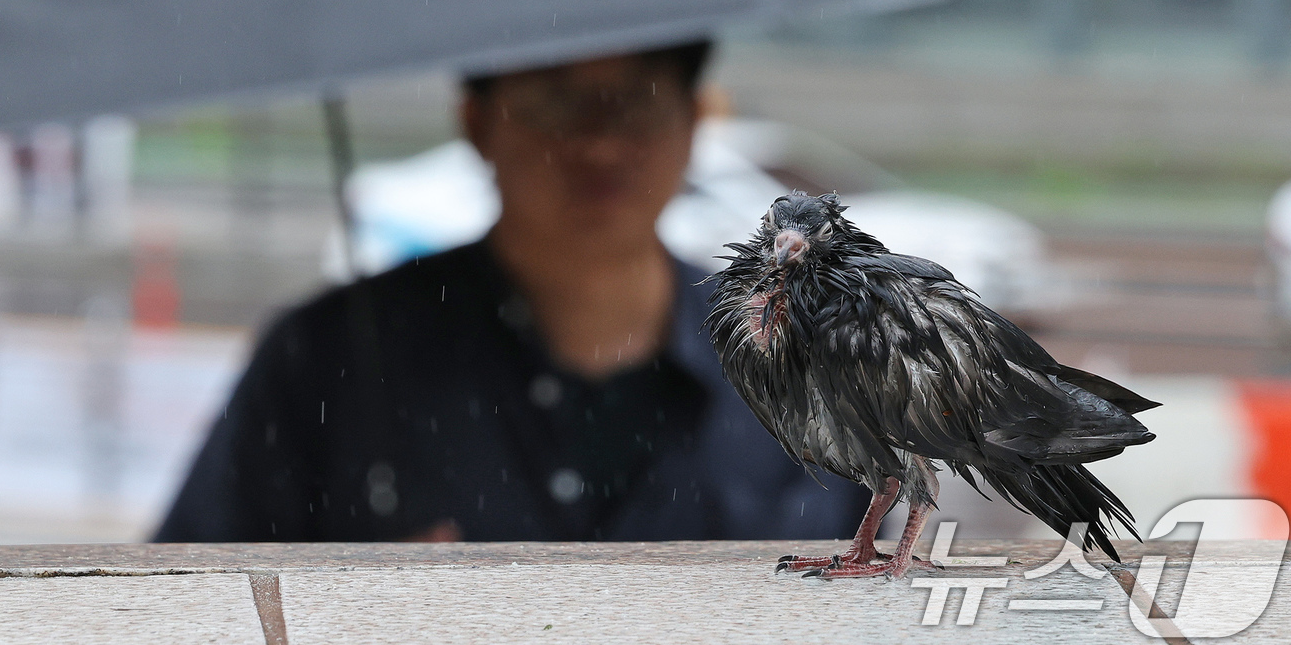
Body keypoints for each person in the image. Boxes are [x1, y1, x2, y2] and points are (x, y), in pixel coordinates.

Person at [155, 42, 868, 542]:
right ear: (475, 122)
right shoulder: (330, 359)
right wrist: (333, 620)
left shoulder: (806, 369)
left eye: (638, 101)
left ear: (696, 118)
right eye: (557, 104)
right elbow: (182, 613)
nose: (600, 145)